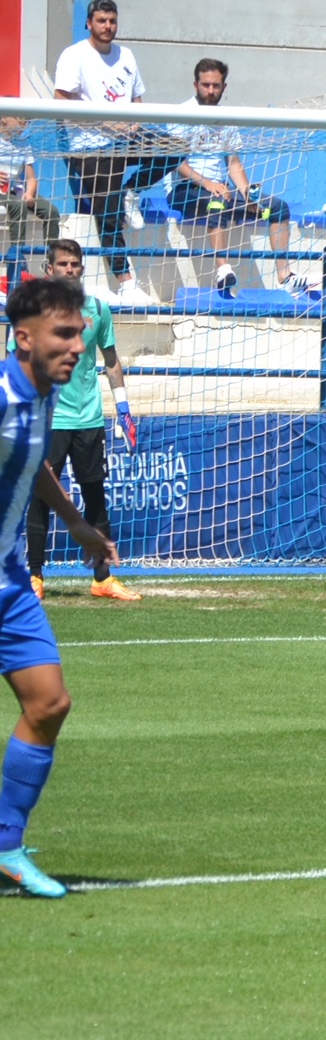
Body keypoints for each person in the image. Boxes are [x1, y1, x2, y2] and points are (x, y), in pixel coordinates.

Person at [0, 278, 121, 895]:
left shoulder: (44, 393)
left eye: (79, 333)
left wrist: (75, 520)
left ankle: (5, 844)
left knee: (49, 704)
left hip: (9, 582)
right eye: (65, 334)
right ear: (24, 338)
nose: (78, 345)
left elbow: (33, 462)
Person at [27, 239, 134, 602]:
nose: (69, 269)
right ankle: (35, 577)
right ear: (49, 269)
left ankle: (102, 579)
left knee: (95, 498)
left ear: (82, 268)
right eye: (63, 264)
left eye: (75, 264)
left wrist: (124, 407)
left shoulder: (98, 310)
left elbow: (111, 360)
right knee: (41, 498)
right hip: (49, 422)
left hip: (88, 419)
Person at [53, 0, 166, 308]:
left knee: (173, 147)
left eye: (112, 20)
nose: (108, 26)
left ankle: (134, 190)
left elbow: (137, 100)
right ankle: (126, 282)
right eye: (102, 20)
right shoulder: (74, 55)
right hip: (89, 147)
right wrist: (108, 123)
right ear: (89, 23)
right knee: (108, 209)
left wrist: (134, 125)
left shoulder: (126, 55)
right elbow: (61, 103)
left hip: (125, 139)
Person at [168, 59, 305, 296]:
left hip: (220, 189)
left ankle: (285, 276)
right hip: (184, 192)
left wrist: (247, 194)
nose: (211, 91)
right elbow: (176, 162)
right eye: (206, 85)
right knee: (217, 203)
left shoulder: (226, 118)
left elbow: (233, 163)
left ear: (224, 87)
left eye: (216, 86)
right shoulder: (181, 114)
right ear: (195, 85)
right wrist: (208, 183)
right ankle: (223, 270)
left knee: (277, 208)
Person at [0, 116, 59, 254]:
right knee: (18, 206)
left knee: (51, 212)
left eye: (27, 120)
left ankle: (51, 260)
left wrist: (29, 193)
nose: (24, 123)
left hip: (14, 191)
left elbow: (31, 178)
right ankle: (18, 259)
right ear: (4, 118)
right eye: (20, 118)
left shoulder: (24, 144)